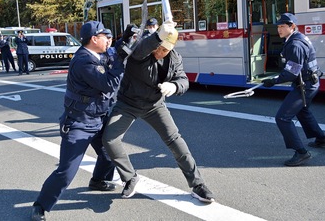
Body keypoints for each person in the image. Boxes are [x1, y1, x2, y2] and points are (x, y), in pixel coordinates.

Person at [103, 20, 215, 203]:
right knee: (109, 139)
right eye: (159, 47)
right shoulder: (141, 50)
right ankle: (130, 177)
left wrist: (175, 86)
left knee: (175, 141)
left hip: (155, 105)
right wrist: (158, 37)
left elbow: (184, 80)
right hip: (128, 103)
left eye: (165, 49)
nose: (160, 52)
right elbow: (141, 49)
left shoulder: (175, 58)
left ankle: (197, 184)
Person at [31, 21, 133, 221]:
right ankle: (40, 205)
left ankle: (98, 181)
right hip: (79, 122)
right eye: (105, 37)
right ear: (94, 39)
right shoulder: (83, 61)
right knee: (67, 170)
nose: (109, 41)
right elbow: (108, 84)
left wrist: (126, 38)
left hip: (99, 118)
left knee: (109, 153)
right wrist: (121, 61)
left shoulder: (98, 53)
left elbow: (114, 51)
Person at [262, 13, 325, 166]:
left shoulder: (295, 44)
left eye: (283, 26)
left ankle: (301, 152)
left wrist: (273, 81)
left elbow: (291, 73)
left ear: (292, 27)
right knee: (303, 111)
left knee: (282, 118)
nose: (279, 29)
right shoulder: (298, 38)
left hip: (305, 86)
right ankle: (321, 138)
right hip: (311, 83)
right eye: (278, 26)